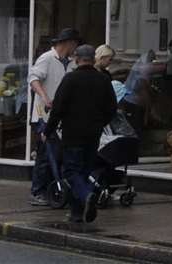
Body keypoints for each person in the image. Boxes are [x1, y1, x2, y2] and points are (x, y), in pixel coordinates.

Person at [45, 44, 117, 225]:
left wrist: (48, 130)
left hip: (73, 133)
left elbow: (58, 108)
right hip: (93, 134)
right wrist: (100, 123)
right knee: (84, 172)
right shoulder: (103, 80)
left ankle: (86, 196)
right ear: (93, 59)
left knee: (70, 171)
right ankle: (77, 213)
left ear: (77, 59)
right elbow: (112, 108)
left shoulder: (70, 79)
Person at [27, 27, 80, 206]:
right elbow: (33, 79)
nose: (76, 47)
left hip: (62, 117)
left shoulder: (72, 63)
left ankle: (52, 190)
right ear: (68, 43)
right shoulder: (47, 58)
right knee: (46, 154)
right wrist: (44, 97)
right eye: (75, 44)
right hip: (44, 116)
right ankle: (37, 192)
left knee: (58, 155)